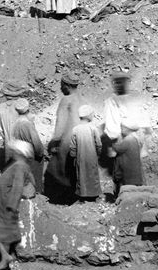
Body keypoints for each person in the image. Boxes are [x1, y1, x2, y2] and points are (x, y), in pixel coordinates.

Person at [0, 140, 36, 270]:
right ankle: (4, 259)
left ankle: (5, 256)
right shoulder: (21, 165)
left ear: (20, 153)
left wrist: (12, 205)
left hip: (5, 200)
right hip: (2, 198)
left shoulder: (19, 165)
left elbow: (18, 185)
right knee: (3, 230)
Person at [45, 73, 82, 202]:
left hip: (68, 140)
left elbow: (60, 128)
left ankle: (59, 201)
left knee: (56, 169)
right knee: (75, 169)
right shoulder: (83, 99)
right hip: (82, 139)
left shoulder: (66, 100)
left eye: (61, 86)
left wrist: (52, 142)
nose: (60, 88)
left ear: (66, 86)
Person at [0, 81, 29, 167]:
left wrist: (0, 131)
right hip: (22, 143)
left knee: (9, 168)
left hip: (8, 145)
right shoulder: (21, 107)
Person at [10, 98, 45, 194]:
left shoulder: (15, 123)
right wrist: (41, 153)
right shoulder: (28, 124)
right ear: (28, 109)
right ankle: (37, 195)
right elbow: (36, 143)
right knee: (35, 177)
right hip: (31, 155)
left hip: (20, 154)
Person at [69, 104, 103, 201]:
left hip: (80, 158)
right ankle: (94, 195)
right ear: (88, 116)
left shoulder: (75, 129)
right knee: (93, 175)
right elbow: (98, 144)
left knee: (81, 175)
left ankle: (82, 195)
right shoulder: (93, 128)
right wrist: (98, 153)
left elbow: (72, 146)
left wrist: (73, 156)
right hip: (92, 157)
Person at [111, 126, 144, 196]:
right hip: (134, 165)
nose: (121, 131)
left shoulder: (128, 139)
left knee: (126, 182)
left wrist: (113, 145)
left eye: (123, 129)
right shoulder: (135, 138)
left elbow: (119, 148)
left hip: (129, 167)